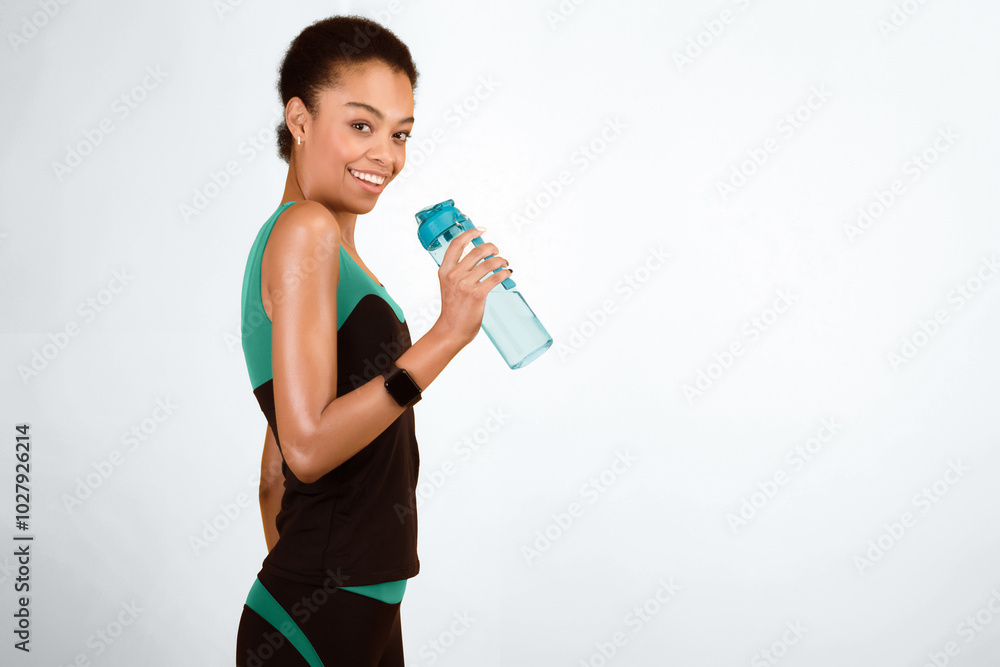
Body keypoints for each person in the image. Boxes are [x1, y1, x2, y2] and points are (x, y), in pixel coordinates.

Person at [234, 15, 512, 666]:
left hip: (351, 612)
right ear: (299, 119)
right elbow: (305, 448)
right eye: (361, 125)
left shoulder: (328, 249)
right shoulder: (305, 232)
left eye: (400, 133)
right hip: (319, 620)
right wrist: (444, 334)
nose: (386, 155)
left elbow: (274, 475)